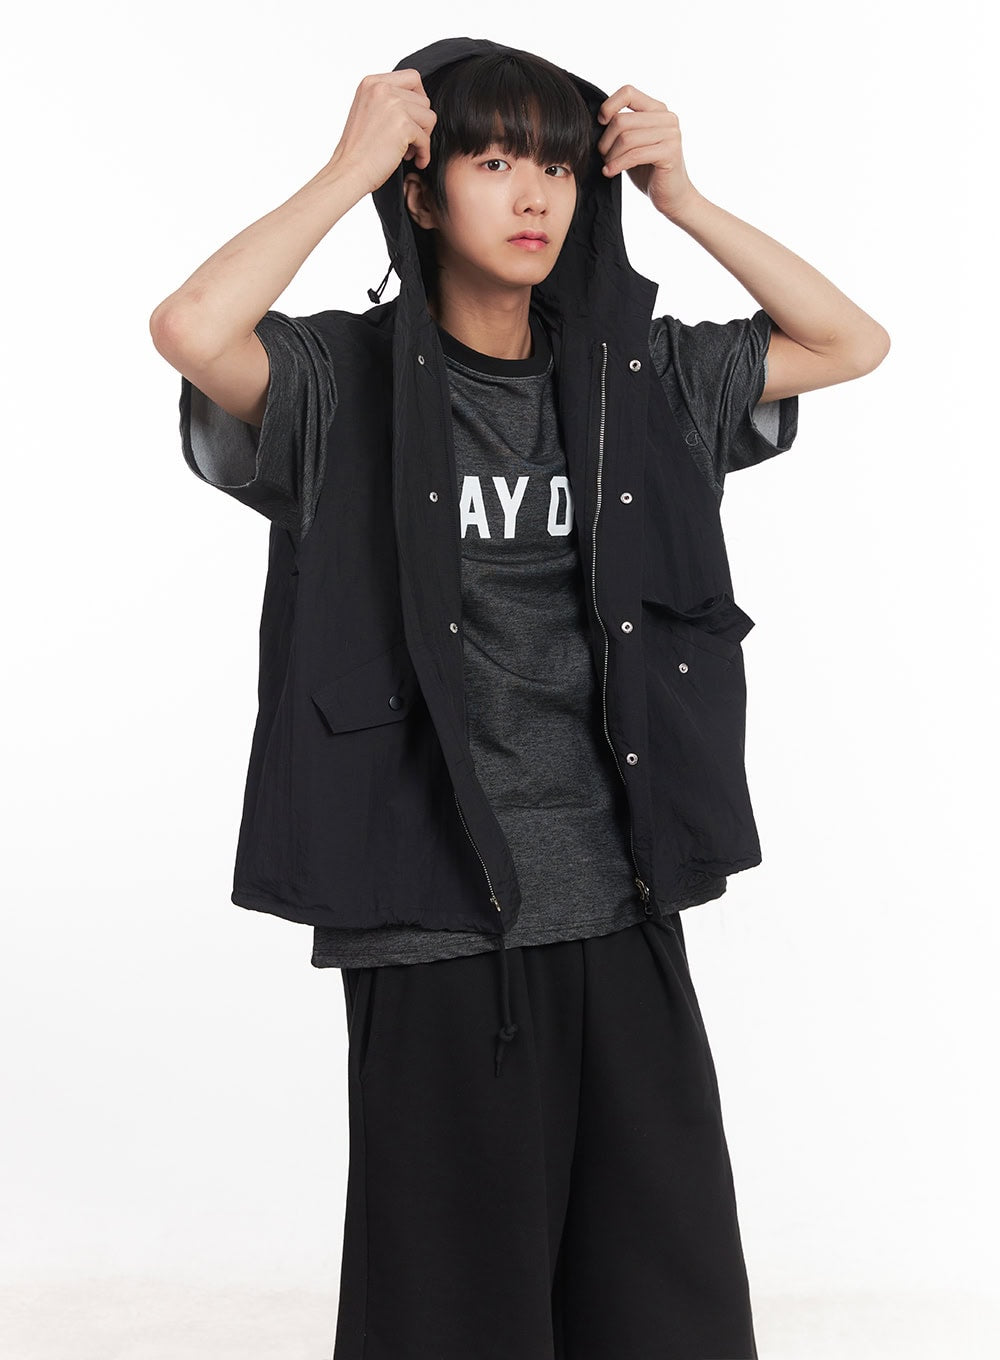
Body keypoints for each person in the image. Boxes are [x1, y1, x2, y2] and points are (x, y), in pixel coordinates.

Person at [150, 35, 889, 1360]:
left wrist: (682, 199)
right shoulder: (338, 383)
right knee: (452, 1314)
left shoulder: (634, 379)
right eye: (492, 163)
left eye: (554, 165)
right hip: (432, 913)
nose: (535, 193)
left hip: (622, 898)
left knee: (663, 1302)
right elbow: (193, 331)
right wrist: (348, 169)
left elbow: (849, 341)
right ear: (426, 192)